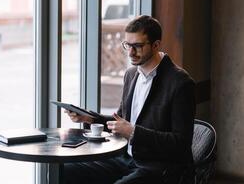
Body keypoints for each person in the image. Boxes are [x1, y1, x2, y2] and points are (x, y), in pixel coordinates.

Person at [64, 15, 196, 184]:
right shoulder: (131, 74)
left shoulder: (180, 83)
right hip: (126, 159)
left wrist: (134, 133)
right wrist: (89, 118)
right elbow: (121, 122)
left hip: (159, 167)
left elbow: (181, 143)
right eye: (127, 45)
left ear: (156, 45)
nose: (130, 52)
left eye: (138, 46)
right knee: (66, 171)